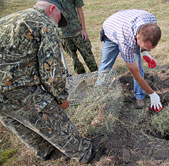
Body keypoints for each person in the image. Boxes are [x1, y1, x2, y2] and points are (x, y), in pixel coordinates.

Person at [0, 0, 97, 163]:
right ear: (52, 9)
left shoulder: (8, 19)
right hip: (16, 86)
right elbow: (51, 70)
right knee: (51, 116)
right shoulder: (44, 24)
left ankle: (45, 150)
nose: (59, 24)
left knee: (14, 118)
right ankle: (84, 152)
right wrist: (61, 98)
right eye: (59, 18)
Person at [98, 9, 163, 111]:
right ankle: (98, 95)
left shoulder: (152, 22)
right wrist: (152, 94)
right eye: (144, 47)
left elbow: (146, 40)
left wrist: (144, 51)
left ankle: (139, 96)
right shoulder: (126, 42)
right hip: (111, 31)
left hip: (127, 23)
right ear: (137, 38)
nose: (148, 50)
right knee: (105, 67)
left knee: (139, 65)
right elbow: (135, 74)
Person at [58, 0, 98, 74]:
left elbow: (80, 10)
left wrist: (83, 29)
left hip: (77, 31)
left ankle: (96, 75)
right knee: (74, 60)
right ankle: (82, 79)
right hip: (63, 34)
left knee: (88, 56)